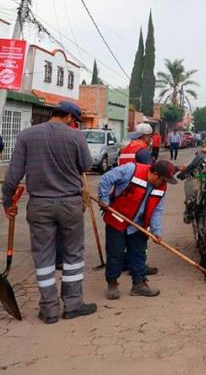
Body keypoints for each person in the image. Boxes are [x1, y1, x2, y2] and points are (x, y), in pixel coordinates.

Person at [2, 101, 96, 324]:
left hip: (40, 204)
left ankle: (49, 309)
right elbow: (85, 165)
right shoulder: (76, 137)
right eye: (74, 121)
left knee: (43, 256)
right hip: (70, 205)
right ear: (69, 118)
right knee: (73, 254)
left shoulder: (26, 136)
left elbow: (13, 176)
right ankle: (73, 304)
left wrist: (7, 202)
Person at [98, 160, 177, 299]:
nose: (164, 183)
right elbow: (106, 178)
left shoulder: (161, 187)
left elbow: (157, 210)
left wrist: (156, 231)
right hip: (117, 219)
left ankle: (138, 284)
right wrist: (104, 198)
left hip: (138, 225)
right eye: (163, 180)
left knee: (139, 254)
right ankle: (112, 283)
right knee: (115, 254)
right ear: (155, 174)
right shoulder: (131, 170)